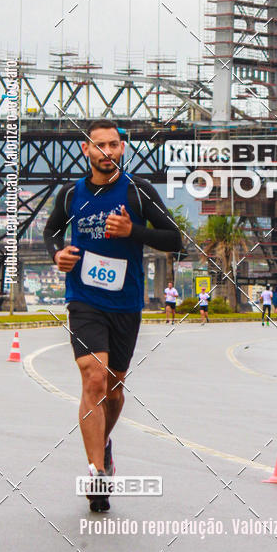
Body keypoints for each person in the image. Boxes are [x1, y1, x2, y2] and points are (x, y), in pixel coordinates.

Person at [43, 119, 183, 512]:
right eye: (99, 145)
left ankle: (103, 442)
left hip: (125, 303)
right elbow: (52, 231)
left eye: (114, 145)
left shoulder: (139, 192)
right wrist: (58, 252)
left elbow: (174, 239)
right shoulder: (71, 194)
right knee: (93, 375)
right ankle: (95, 472)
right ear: (86, 150)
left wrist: (133, 231)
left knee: (114, 389)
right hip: (84, 299)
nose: (107, 152)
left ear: (122, 149)